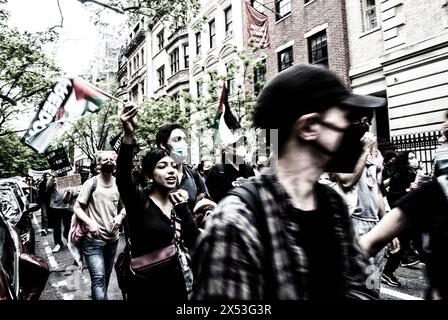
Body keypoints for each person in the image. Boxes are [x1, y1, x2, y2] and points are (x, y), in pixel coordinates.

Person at [192, 64, 386, 300]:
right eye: (344, 119)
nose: (351, 130)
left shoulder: (331, 203)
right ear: (308, 127)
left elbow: (357, 282)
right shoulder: (237, 222)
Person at [117, 105, 200, 300]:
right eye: (162, 166)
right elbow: (122, 178)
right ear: (148, 176)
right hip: (145, 288)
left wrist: (184, 210)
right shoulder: (140, 202)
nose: (171, 170)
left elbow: (194, 241)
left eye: (173, 166)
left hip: (177, 284)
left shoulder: (178, 202)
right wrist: (128, 135)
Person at [334, 115, 387, 297]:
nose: (367, 124)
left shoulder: (373, 155)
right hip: (354, 225)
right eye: (362, 119)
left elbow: (378, 190)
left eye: (368, 120)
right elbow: (346, 182)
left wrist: (386, 223)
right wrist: (364, 151)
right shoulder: (341, 151)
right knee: (354, 287)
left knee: (372, 287)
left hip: (374, 225)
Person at [73, 151, 126, 300]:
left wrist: (120, 217)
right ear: (98, 165)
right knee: (98, 278)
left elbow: (125, 206)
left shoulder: (119, 183)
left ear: (115, 164)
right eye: (105, 159)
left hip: (112, 240)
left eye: (112, 159)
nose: (109, 161)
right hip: (92, 241)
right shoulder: (91, 183)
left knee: (105, 278)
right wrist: (90, 223)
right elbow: (76, 207)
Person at [155, 124, 209, 210]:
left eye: (185, 140)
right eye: (178, 139)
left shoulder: (193, 175)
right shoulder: (154, 176)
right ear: (163, 145)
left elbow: (205, 197)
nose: (184, 144)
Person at [205, 136, 255, 202]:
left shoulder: (249, 170)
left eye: (241, 144)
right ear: (226, 150)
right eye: (235, 145)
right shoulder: (218, 170)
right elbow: (211, 196)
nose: (239, 147)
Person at [46, 173, 73, 253]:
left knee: (67, 225)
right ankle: (58, 243)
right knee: (56, 226)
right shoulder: (52, 179)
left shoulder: (67, 178)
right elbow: (48, 186)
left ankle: (67, 238)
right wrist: (53, 177)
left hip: (66, 207)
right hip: (55, 207)